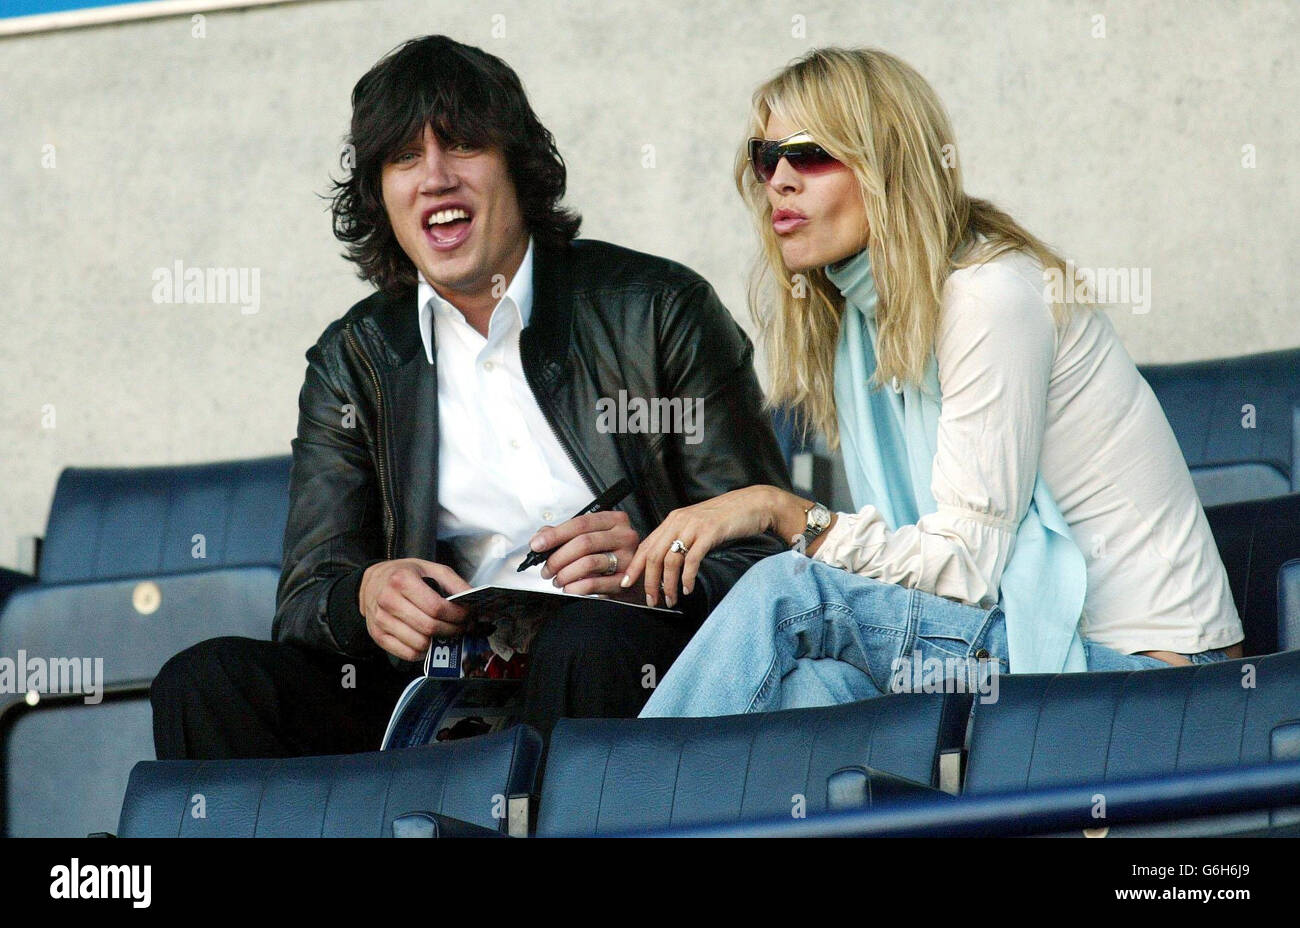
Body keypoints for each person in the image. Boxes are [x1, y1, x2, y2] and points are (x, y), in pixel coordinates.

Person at [150, 35, 790, 758]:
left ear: (519, 168)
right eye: (403, 159)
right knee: (206, 682)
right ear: (380, 196)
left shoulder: (657, 309)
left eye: (461, 147)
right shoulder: (354, 358)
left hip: (627, 666)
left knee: (588, 641)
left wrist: (650, 569)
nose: (434, 178)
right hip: (437, 690)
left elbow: (769, 552)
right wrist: (364, 599)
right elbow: (306, 598)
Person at [627, 47, 1244, 718]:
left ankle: (622, 806)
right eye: (764, 156)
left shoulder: (989, 295)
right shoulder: (860, 323)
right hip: (1013, 646)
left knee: (790, 592)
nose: (779, 180)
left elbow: (964, 570)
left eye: (808, 154)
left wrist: (783, 513)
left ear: (888, 165)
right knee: (812, 691)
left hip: (1156, 677)